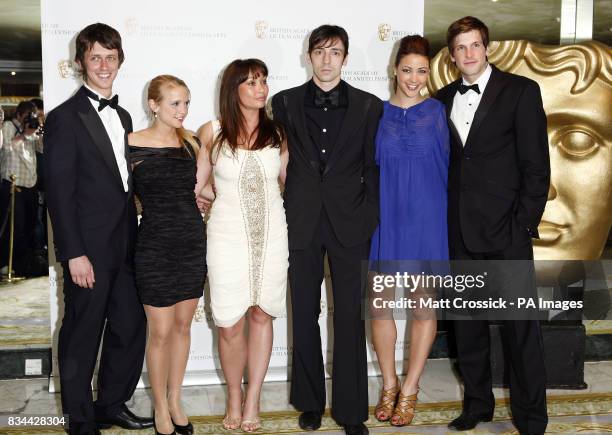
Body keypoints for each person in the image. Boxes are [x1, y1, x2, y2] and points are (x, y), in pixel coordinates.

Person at [434, 16, 549, 434]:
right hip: (458, 234)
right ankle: (478, 405)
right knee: (468, 329)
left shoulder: (520, 91)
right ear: (451, 56)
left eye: (475, 45)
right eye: (460, 47)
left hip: (507, 232)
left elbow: (537, 167)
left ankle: (532, 417)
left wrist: (523, 223)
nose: (469, 54)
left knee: (521, 331)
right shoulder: (440, 99)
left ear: (487, 48)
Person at [272, 25, 382, 435]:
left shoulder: (370, 107)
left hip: (351, 223)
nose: (326, 59)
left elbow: (373, 167)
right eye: (319, 51)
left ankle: (352, 411)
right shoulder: (283, 103)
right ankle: (310, 401)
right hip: (300, 221)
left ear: (346, 58)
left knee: (350, 316)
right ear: (308, 56)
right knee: (304, 311)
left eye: (335, 52)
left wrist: (369, 213)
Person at [44, 23, 152, 435]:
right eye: (95, 58)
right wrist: (73, 252)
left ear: (119, 60)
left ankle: (111, 404)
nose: (104, 65)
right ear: (80, 63)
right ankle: (80, 419)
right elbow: (59, 193)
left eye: (110, 57)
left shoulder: (124, 115)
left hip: (127, 246)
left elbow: (124, 184)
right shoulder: (64, 119)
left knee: (130, 327)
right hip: (87, 250)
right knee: (82, 334)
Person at [195, 58, 288, 432]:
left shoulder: (278, 132)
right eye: (251, 82)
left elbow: (285, 182)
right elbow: (198, 182)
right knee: (230, 324)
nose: (261, 88)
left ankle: (253, 400)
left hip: (272, 235)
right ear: (233, 89)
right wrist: (203, 196)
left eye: (263, 81)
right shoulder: (211, 131)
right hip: (225, 235)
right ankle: (234, 395)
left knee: (262, 315)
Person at [368, 35, 449, 427]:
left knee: (422, 306)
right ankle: (389, 383)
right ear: (394, 70)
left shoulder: (438, 112)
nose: (413, 78)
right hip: (385, 218)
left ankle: (412, 387)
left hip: (427, 220)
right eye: (406, 70)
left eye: (421, 71)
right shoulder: (376, 113)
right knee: (379, 306)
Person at [128, 75, 206, 435]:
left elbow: (203, 189)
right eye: (174, 103)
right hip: (155, 244)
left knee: (182, 326)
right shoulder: (130, 144)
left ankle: (176, 399)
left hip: (191, 241)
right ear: (153, 105)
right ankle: (159, 405)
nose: (183, 110)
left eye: (186, 102)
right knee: (159, 332)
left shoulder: (191, 143)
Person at [0, 100, 41, 274]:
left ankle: (23, 264)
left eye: (32, 117)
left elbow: (43, 149)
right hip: (12, 185)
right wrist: (24, 134)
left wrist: (41, 131)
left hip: (30, 186)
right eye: (27, 117)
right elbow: (6, 148)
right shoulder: (9, 126)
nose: (29, 120)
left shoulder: (32, 129)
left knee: (29, 227)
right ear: (19, 115)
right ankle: (6, 264)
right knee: (13, 227)